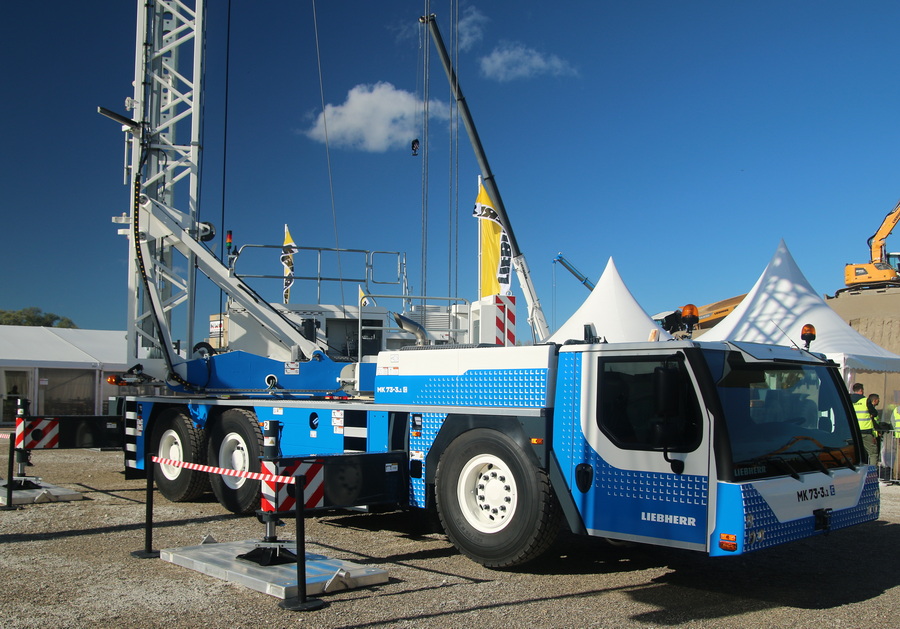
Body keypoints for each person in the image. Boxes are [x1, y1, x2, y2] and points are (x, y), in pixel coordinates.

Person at [854, 392, 880, 467]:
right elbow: (874, 415)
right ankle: (871, 474)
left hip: (855, 432)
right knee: (873, 453)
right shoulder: (865, 401)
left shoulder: (849, 400)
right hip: (866, 431)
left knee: (860, 453)